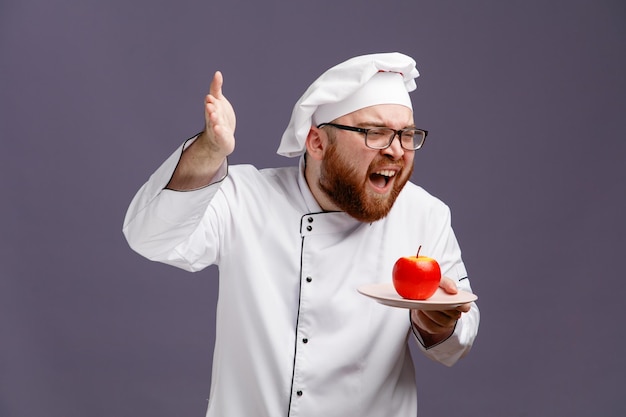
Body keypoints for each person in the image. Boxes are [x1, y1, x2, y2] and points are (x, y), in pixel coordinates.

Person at [123, 52, 480, 417]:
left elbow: (458, 339)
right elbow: (149, 235)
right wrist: (209, 152)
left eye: (406, 135)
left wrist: (440, 324)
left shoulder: (425, 214)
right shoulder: (245, 197)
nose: (396, 149)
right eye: (375, 133)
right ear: (317, 143)